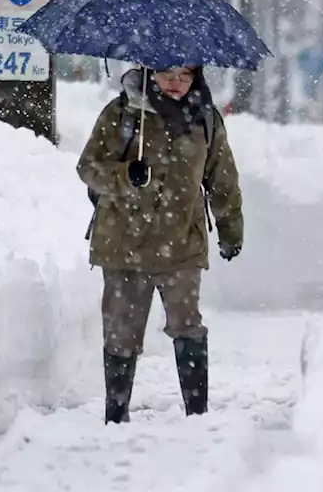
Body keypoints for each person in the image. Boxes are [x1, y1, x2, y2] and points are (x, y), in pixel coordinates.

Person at [76, 64, 244, 424]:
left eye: (184, 76)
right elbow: (88, 167)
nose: (175, 84)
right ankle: (115, 416)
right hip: (123, 244)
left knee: (188, 326)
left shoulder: (206, 119)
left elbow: (222, 177)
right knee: (121, 333)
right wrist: (124, 175)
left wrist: (231, 228)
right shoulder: (121, 113)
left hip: (182, 243)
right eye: (167, 74)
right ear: (150, 73)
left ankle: (197, 414)